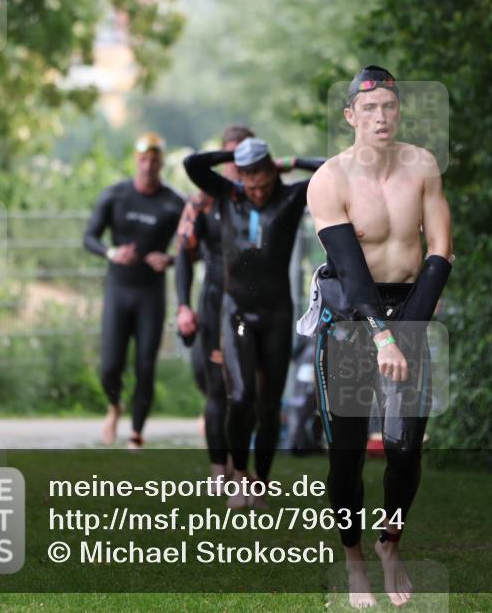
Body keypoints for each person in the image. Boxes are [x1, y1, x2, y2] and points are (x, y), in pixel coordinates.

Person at [304, 66, 453, 608]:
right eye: (369, 109)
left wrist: (406, 333)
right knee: (346, 454)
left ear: (399, 111)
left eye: (388, 106)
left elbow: (440, 252)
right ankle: (354, 557)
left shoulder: (422, 167)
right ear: (351, 117)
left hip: (408, 308)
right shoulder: (330, 179)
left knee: (404, 448)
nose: (381, 116)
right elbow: (351, 270)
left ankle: (390, 542)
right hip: (349, 319)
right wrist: (382, 338)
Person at [184, 138, 323, 508]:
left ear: (273, 173)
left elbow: (336, 168)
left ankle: (260, 482)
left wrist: (292, 159)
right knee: (241, 396)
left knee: (268, 403)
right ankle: (239, 475)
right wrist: (237, 155)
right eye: (250, 181)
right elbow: (193, 164)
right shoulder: (229, 195)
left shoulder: (291, 198)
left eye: (262, 180)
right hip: (237, 313)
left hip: (277, 314)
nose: (257, 191)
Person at [83, 132, 185, 450]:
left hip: (150, 294)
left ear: (161, 163)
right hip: (119, 289)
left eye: (154, 159)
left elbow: (191, 247)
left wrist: (169, 259)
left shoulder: (174, 202)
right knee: (110, 366)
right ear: (135, 160)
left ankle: (137, 433)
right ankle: (114, 407)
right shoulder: (115, 195)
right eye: (143, 158)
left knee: (145, 364)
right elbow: (89, 237)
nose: (148, 164)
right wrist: (112, 253)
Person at [175, 125, 253, 488]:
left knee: (249, 392)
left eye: (244, 155)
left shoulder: (259, 196)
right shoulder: (203, 199)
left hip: (254, 305)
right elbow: (184, 256)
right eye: (231, 155)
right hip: (214, 301)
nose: (237, 163)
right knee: (217, 390)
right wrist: (182, 306)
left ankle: (243, 468)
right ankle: (219, 473)